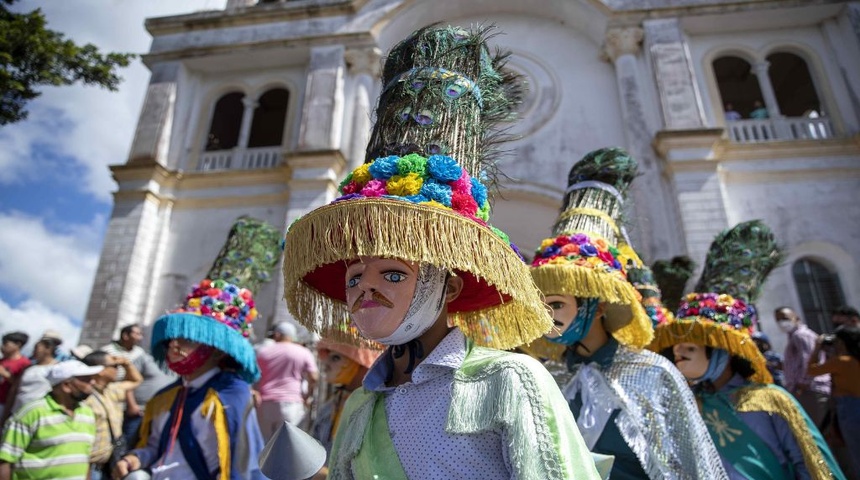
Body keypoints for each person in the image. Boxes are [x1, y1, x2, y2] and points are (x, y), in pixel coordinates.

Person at [281, 24, 603, 479]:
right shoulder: (359, 402)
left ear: (449, 285)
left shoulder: (510, 381)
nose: (365, 288)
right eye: (355, 276)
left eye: (392, 273)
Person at [526, 148, 728, 479]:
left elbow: (696, 466)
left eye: (558, 304)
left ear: (598, 305)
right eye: (543, 304)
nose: (547, 315)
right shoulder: (550, 378)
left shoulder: (655, 372)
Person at [651, 220, 845, 480]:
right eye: (676, 347)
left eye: (689, 347)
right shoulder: (686, 405)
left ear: (722, 351)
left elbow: (808, 462)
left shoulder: (772, 400)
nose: (679, 354)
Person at [114, 215, 281, 480]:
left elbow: (242, 467)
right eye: (173, 338)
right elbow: (156, 450)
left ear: (217, 349)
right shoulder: (164, 398)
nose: (175, 344)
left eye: (189, 339)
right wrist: (136, 458)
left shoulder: (233, 395)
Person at [0, 360, 104, 480]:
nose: (93, 382)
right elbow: (5, 460)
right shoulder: (32, 413)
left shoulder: (87, 414)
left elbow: (84, 458)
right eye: (86, 379)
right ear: (66, 385)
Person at [102, 324, 174, 448]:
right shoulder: (145, 358)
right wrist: (132, 406)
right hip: (138, 412)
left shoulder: (177, 366)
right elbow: (131, 380)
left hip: (161, 415)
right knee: (126, 447)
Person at [310, 340, 380, 457]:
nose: (326, 365)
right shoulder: (333, 403)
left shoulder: (375, 407)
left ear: (361, 364)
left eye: (336, 358)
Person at [808, 326, 860, 477]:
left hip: (850, 408)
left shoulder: (841, 361)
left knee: (857, 452)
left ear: (842, 343)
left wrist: (817, 347)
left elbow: (812, 370)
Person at [80, 351, 142, 480]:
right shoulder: (85, 397)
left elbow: (136, 380)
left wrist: (126, 363)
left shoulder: (111, 390)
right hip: (89, 468)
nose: (118, 370)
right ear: (101, 370)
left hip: (108, 465)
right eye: (114, 366)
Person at [254, 321, 318, 439]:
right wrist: (307, 396)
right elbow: (314, 377)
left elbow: (253, 375)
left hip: (265, 404)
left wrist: (255, 392)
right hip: (292, 404)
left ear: (278, 335)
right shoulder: (303, 352)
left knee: (264, 446)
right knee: (289, 446)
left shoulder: (263, 352)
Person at [775, 306, 832, 427]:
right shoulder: (794, 336)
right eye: (778, 320)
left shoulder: (801, 336)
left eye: (785, 318)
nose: (782, 323)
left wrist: (802, 383)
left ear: (796, 317)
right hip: (804, 390)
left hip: (809, 390)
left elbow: (810, 360)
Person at [1, 336, 61, 427]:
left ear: (48, 349)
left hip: (36, 418)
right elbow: (14, 391)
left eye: (37, 348)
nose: (33, 351)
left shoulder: (57, 368)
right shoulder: (28, 368)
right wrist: (5, 415)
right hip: (16, 414)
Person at [0, 333, 30, 421]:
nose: (3, 346)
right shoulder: (2, 360)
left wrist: (6, 374)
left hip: (5, 405)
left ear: (18, 344)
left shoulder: (24, 363)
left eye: (6, 343)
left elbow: (21, 385)